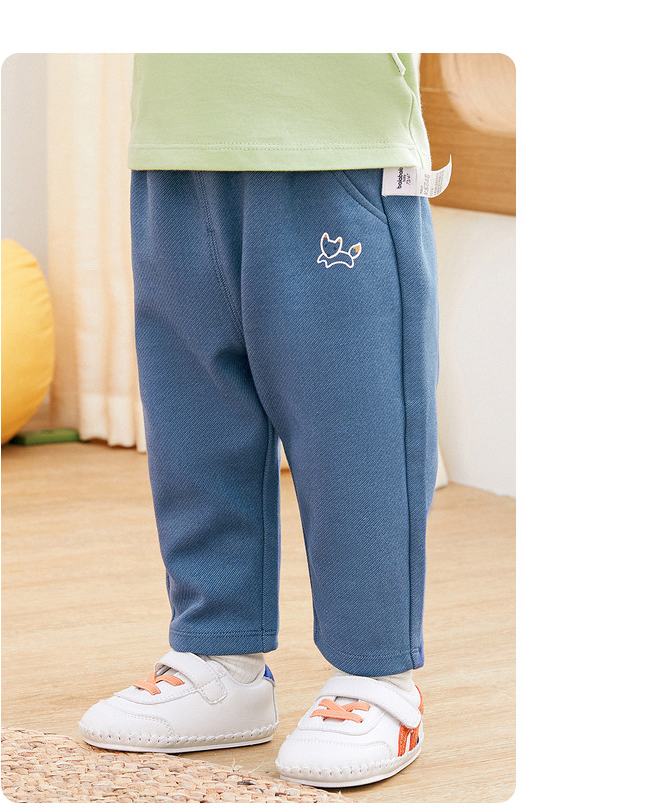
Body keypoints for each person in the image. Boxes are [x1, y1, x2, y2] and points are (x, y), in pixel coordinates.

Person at [79, 53, 440, 789]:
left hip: (333, 139)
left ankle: (378, 676)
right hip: (176, 141)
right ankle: (219, 658)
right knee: (194, 426)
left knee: (355, 428)